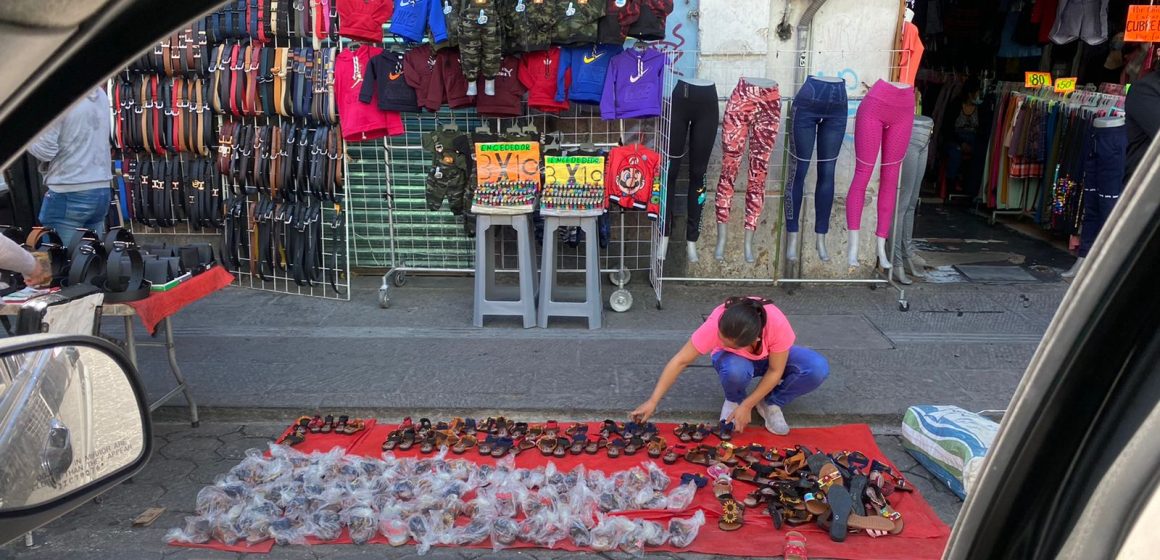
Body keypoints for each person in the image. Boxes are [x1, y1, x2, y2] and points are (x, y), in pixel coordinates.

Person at [631, 296, 830, 435]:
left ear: (753, 339)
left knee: (816, 368)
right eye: (720, 339)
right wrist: (653, 400)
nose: (720, 344)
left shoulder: (776, 324)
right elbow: (680, 360)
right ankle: (734, 399)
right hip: (736, 363)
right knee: (734, 369)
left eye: (727, 343)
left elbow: (775, 370)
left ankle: (770, 403)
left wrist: (749, 405)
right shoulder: (717, 324)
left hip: (771, 357)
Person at [28, 87, 113, 248]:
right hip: (100, 189)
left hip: (68, 189)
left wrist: (22, 135)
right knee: (89, 262)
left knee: (59, 262)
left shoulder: (57, 96)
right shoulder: (99, 94)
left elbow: (45, 150)